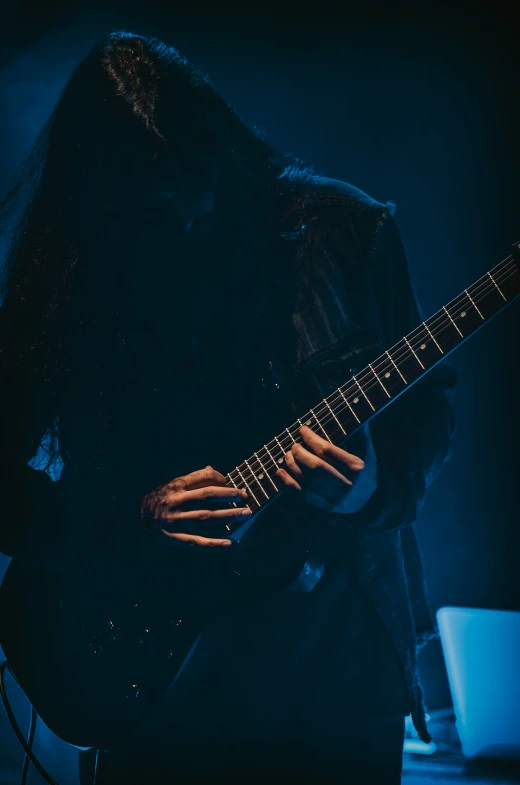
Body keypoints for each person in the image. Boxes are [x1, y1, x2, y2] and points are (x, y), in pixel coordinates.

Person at [0, 31, 456, 784]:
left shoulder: (342, 231)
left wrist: (373, 482)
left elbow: (427, 411)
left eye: (190, 188)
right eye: (147, 210)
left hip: (333, 668)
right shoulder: (73, 273)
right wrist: (128, 518)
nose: (181, 220)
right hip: (165, 685)